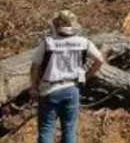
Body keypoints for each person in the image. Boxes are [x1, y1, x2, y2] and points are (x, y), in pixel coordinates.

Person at [29, 10, 105, 143]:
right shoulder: (83, 42)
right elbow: (100, 60)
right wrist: (88, 76)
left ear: (56, 24)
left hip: (49, 90)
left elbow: (35, 66)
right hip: (72, 89)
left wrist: (34, 87)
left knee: (47, 128)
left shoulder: (48, 42)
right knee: (69, 129)